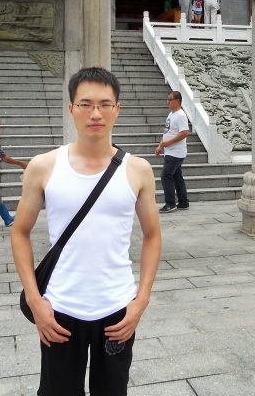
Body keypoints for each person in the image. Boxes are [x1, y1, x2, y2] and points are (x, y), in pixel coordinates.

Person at [11, 67, 161, 396]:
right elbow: (20, 232)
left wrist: (141, 300)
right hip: (60, 308)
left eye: (105, 104)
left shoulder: (138, 170)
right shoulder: (43, 166)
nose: (96, 113)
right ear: (71, 109)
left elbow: (152, 236)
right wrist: (35, 300)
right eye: (86, 104)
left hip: (117, 308)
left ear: (117, 109)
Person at [156, 91, 190, 213]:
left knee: (166, 176)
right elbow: (167, 132)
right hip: (170, 151)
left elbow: (185, 132)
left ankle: (170, 203)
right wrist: (160, 145)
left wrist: (169, 143)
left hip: (176, 152)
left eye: (170, 100)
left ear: (177, 101)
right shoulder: (171, 114)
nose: (168, 102)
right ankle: (183, 202)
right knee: (177, 176)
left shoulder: (181, 115)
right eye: (168, 99)